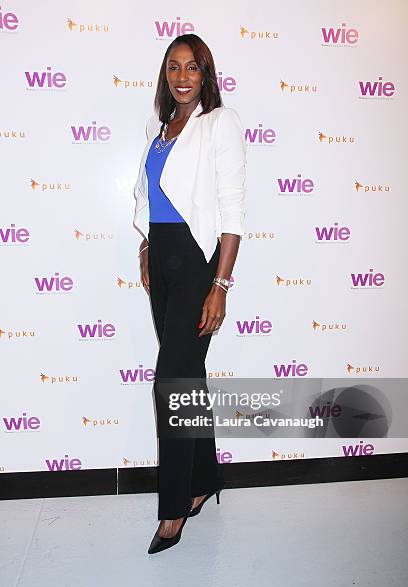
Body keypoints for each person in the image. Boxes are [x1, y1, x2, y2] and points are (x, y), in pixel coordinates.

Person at [132, 33, 246, 554]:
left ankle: (174, 508)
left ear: (206, 75)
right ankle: (203, 480)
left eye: (192, 68)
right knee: (188, 377)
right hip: (162, 257)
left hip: (198, 262)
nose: (182, 76)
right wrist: (145, 252)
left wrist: (220, 284)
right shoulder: (162, 129)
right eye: (174, 67)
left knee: (170, 383)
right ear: (166, 74)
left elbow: (231, 210)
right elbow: (151, 197)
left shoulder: (218, 123)